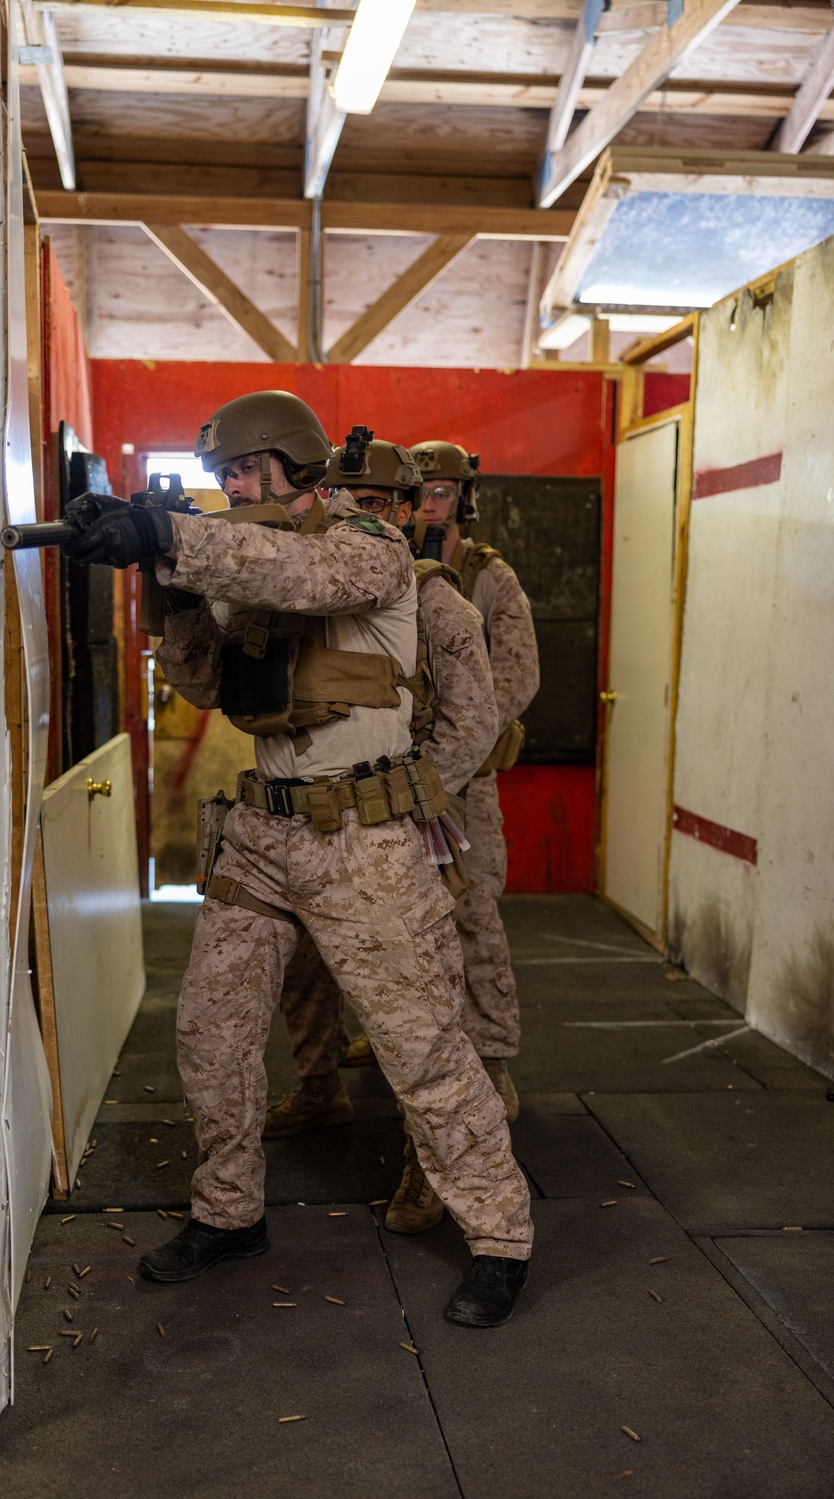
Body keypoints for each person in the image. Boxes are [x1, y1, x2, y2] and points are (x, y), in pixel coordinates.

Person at [63, 392, 533, 1327]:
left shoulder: (368, 544)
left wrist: (175, 536)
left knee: (422, 1044)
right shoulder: (246, 561)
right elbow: (202, 683)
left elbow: (307, 574)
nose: (232, 487)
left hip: (363, 838)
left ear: (291, 462)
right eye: (222, 476)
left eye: (243, 469)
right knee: (211, 1029)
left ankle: (502, 1231)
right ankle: (228, 1210)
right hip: (267, 833)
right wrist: (175, 583)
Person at [262, 431, 505, 1235]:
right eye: (347, 503)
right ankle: (320, 1081)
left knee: (422, 1002)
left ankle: (428, 1161)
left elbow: (475, 717)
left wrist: (410, 789)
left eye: (376, 506)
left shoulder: (437, 594)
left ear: (405, 511)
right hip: (318, 827)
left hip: (412, 816)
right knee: (309, 968)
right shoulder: (318, 583)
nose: (358, 518)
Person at [410, 439, 540, 1124]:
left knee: (475, 916)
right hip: (398, 782)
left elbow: (516, 680)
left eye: (443, 489)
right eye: (421, 488)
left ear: (464, 497)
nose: (431, 501)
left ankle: (491, 1056)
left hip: (462, 782)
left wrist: (449, 750)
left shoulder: (489, 578)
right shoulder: (388, 562)